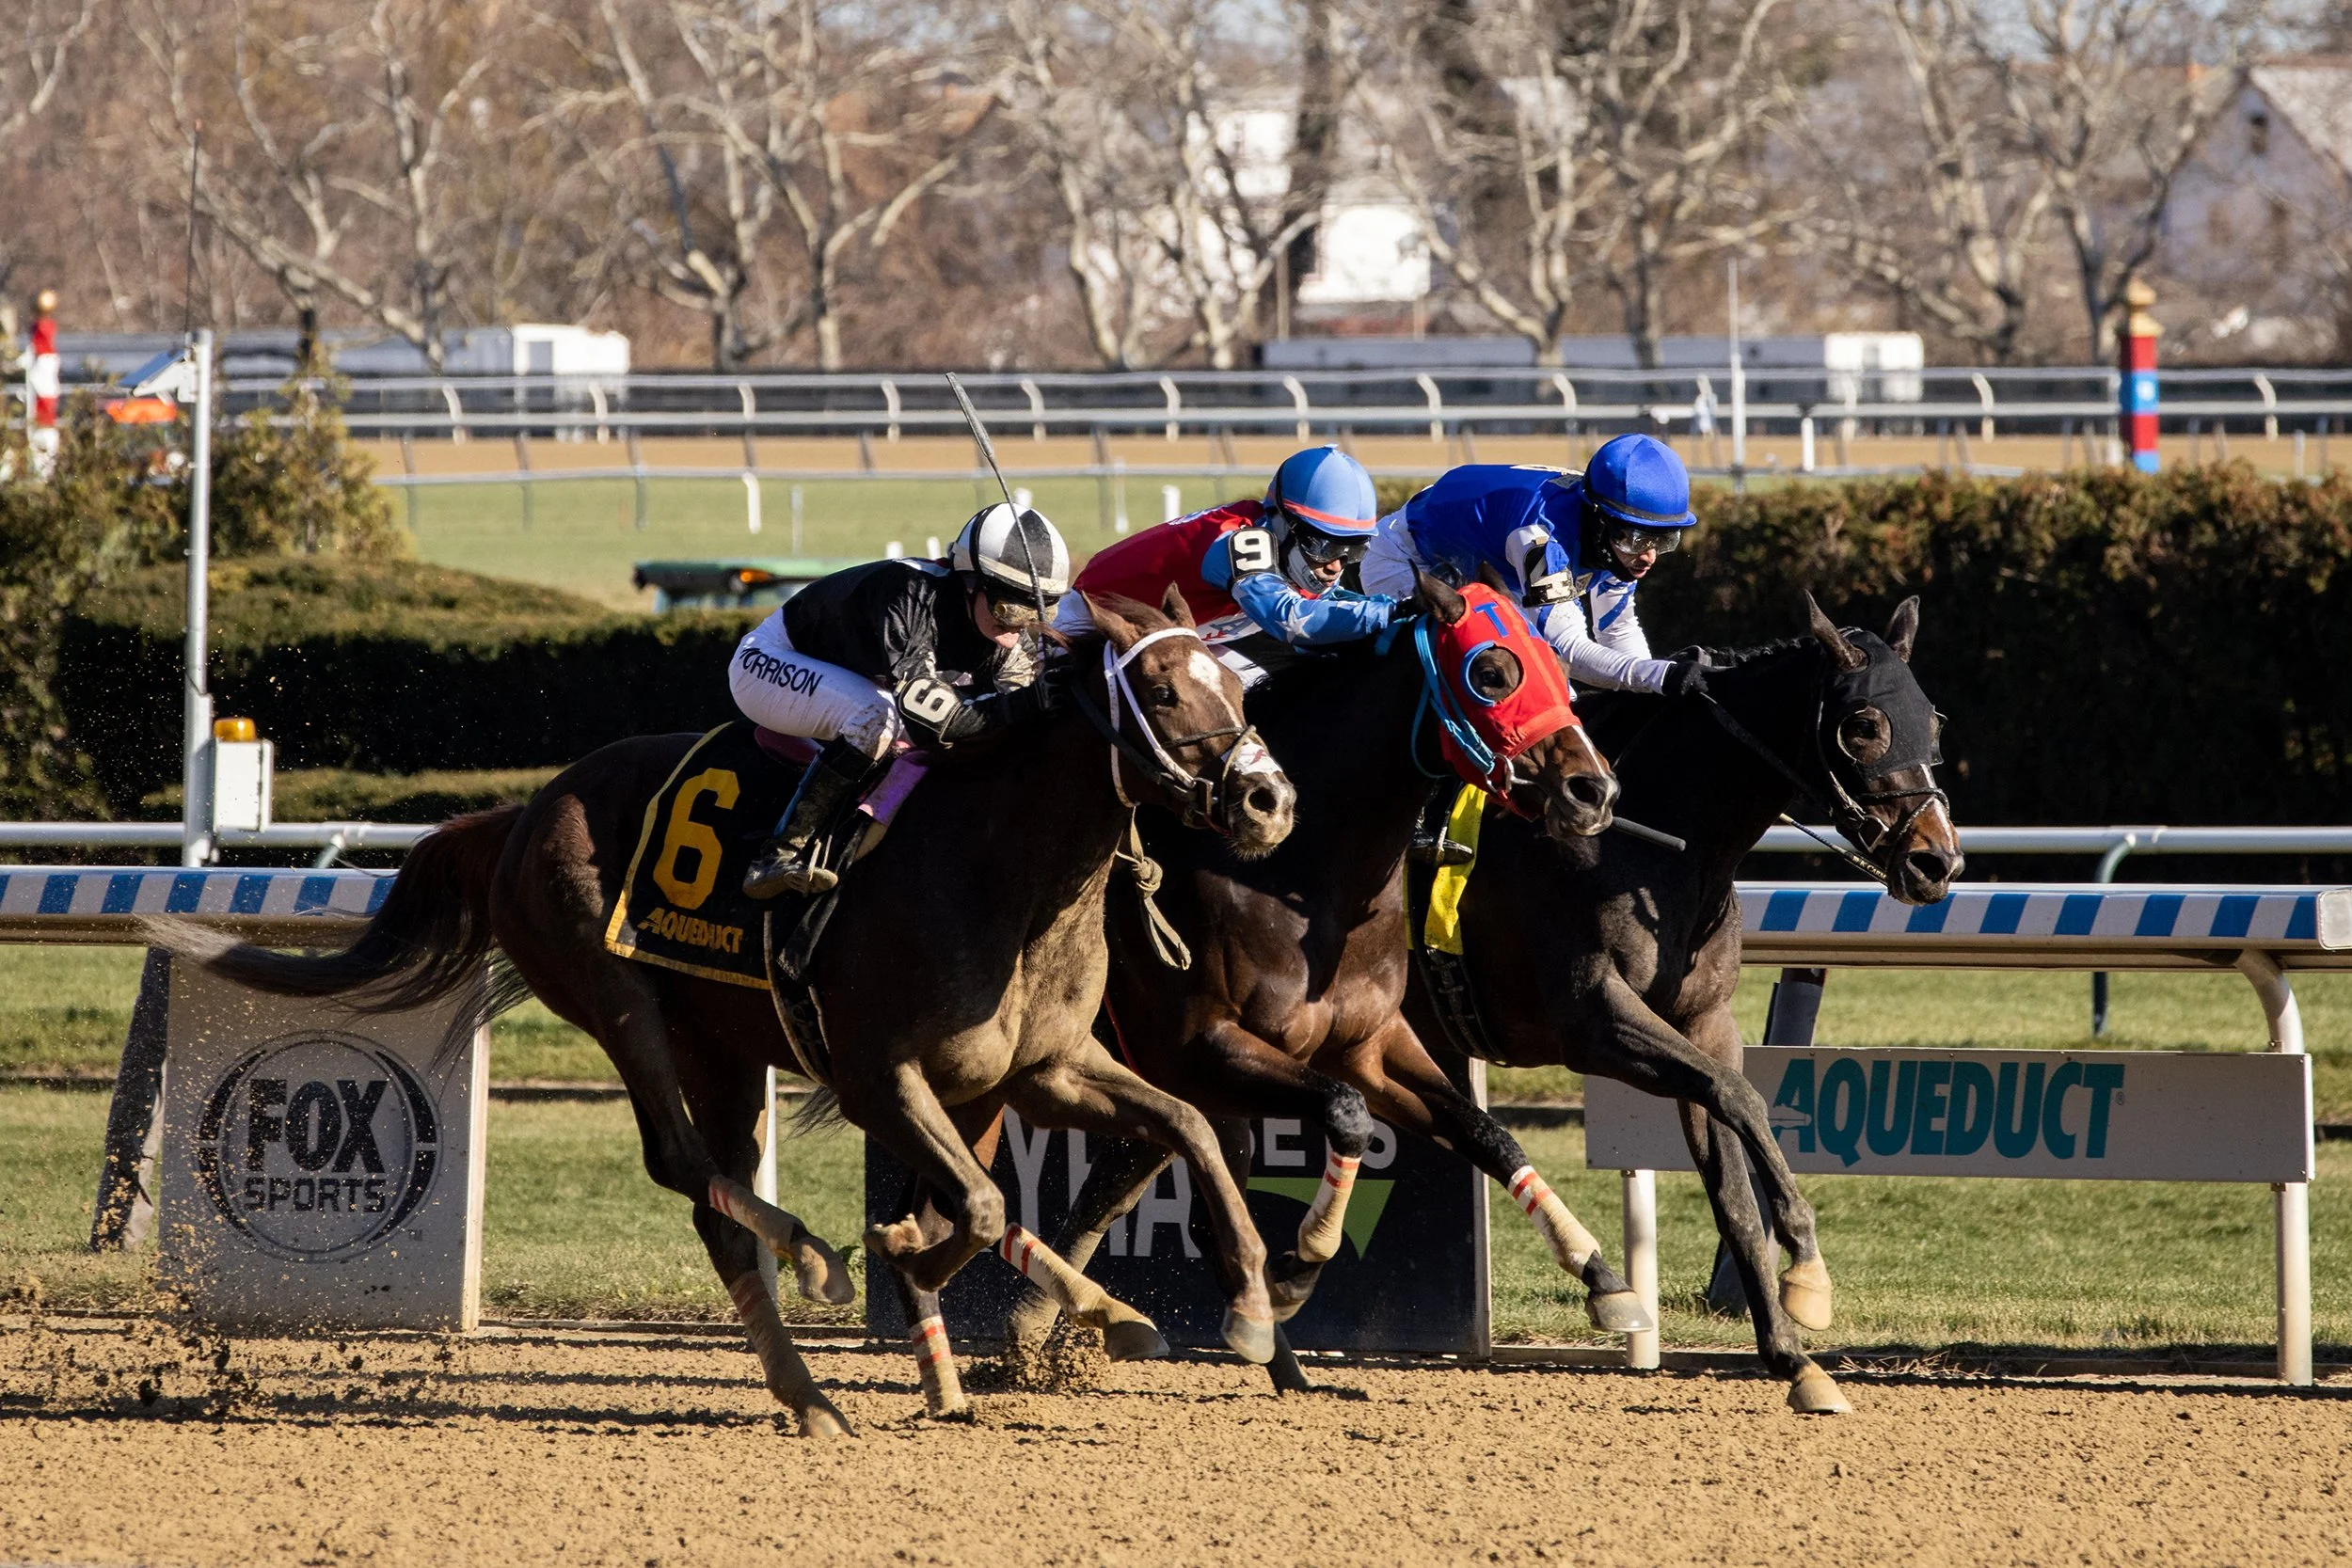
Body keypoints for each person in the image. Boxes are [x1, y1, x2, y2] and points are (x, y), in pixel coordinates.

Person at [732, 501, 1072, 897]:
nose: (1017, 626)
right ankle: (778, 854)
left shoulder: (1006, 636)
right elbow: (930, 715)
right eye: (1008, 607)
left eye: (1036, 611)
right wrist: (1022, 705)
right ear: (968, 582)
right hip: (770, 661)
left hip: (855, 679)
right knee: (876, 718)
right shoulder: (911, 594)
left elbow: (1018, 726)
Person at [1359, 433, 1703, 696]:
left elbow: (1617, 629)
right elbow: (1566, 647)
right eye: (1637, 539)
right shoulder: (1538, 538)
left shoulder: (1616, 533)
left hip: (1484, 563)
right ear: (1599, 521)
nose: (1648, 556)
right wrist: (1662, 676)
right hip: (1405, 561)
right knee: (1521, 684)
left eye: (1663, 540)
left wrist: (1655, 688)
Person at [1053, 445, 1395, 684]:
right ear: (1282, 522)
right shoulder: (1240, 541)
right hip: (1085, 631)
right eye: (1323, 545)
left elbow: (1338, 608)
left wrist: (1403, 609)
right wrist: (1390, 613)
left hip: (1174, 640)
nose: (1336, 565)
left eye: (1352, 550)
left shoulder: (1289, 547)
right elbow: (1292, 622)